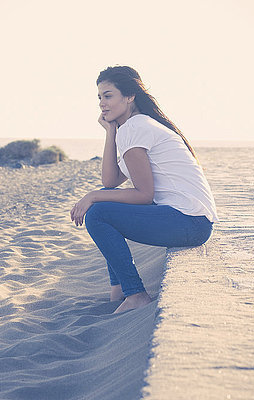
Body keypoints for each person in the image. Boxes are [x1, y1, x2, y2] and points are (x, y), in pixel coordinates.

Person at [70, 66, 218, 313]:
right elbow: (110, 181)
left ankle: (135, 294)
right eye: (99, 97)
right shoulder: (132, 127)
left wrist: (92, 197)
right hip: (192, 221)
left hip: (189, 222)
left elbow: (143, 194)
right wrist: (110, 132)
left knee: (98, 213)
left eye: (108, 96)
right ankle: (119, 289)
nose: (102, 104)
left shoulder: (136, 127)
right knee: (103, 204)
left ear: (129, 97)